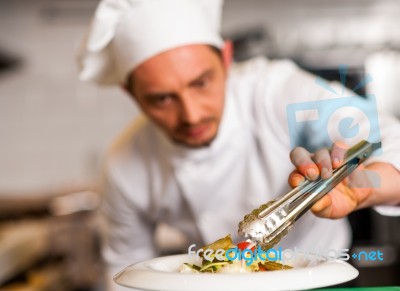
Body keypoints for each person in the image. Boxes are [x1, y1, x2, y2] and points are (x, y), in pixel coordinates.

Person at [77, 0, 400, 289]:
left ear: (227, 58)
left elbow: (388, 138)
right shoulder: (124, 166)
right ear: (129, 93)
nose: (191, 115)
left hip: (322, 281)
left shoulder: (276, 92)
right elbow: (127, 274)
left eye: (200, 82)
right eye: (162, 98)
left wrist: (364, 189)